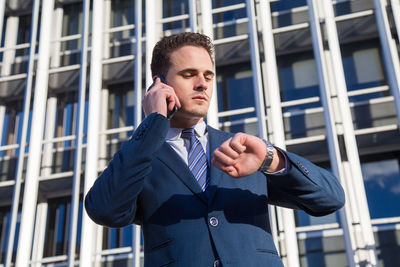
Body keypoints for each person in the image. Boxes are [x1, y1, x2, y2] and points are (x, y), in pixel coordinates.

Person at [85, 32, 345, 267]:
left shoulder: (244, 150)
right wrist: (154, 122)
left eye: (208, 75)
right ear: (159, 84)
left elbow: (330, 199)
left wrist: (271, 158)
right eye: (189, 74)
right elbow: (105, 210)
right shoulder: (140, 156)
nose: (203, 84)